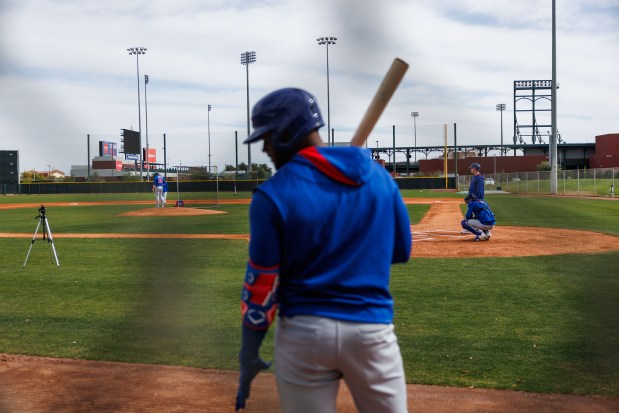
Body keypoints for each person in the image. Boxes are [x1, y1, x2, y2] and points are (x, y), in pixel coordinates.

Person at [235, 88, 412, 413]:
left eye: (268, 138)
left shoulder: (272, 194)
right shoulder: (379, 178)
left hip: (305, 336)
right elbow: (401, 250)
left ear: (287, 133)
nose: (264, 147)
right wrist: (352, 245)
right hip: (371, 331)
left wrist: (249, 352)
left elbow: (262, 287)